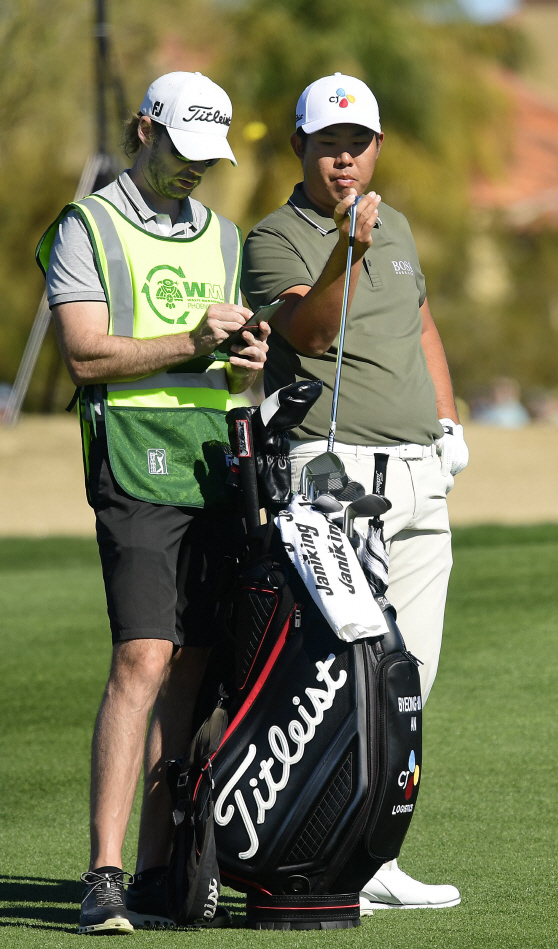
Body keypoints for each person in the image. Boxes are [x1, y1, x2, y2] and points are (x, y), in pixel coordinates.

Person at [36, 71, 270, 934]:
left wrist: (244, 358)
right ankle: (102, 872)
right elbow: (85, 356)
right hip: (134, 467)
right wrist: (193, 337)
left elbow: (231, 367)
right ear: (144, 129)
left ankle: (160, 871)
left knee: (195, 667)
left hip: (211, 469)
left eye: (208, 159)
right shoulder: (86, 226)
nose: (194, 172)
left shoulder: (224, 234)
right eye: (181, 152)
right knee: (141, 657)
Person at [241, 73, 468, 912]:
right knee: (342, 675)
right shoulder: (278, 234)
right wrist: (350, 248)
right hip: (335, 478)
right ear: (300, 146)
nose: (345, 160)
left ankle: (372, 853)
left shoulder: (397, 222)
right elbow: (311, 329)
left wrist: (447, 423)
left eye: (359, 144)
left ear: (376, 146)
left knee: (410, 677)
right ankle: (323, 858)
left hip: (418, 476)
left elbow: (420, 321)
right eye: (330, 145)